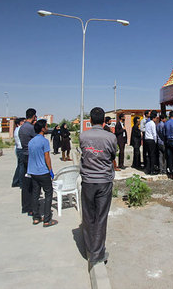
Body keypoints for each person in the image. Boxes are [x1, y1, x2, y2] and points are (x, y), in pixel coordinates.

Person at [79, 107, 116, 267]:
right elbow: (113, 155)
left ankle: (90, 248)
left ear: (90, 120)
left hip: (88, 181)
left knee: (88, 215)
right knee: (101, 217)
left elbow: (84, 154)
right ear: (103, 120)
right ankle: (97, 253)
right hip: (104, 181)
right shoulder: (111, 137)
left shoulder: (83, 136)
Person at [27, 119, 57, 227]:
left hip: (33, 172)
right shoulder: (44, 141)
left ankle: (36, 217)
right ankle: (47, 219)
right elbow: (47, 157)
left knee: (35, 193)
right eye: (46, 126)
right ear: (42, 128)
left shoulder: (31, 141)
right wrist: (50, 170)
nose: (47, 128)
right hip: (43, 171)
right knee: (48, 193)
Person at [19, 108, 37, 215]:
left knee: (26, 183)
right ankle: (32, 207)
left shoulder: (22, 128)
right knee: (33, 184)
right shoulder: (31, 128)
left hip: (24, 155)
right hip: (31, 157)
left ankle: (25, 206)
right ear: (34, 116)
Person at [11, 118, 25, 187]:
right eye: (23, 121)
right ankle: (22, 183)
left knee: (19, 166)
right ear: (19, 123)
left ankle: (15, 181)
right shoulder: (20, 129)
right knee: (22, 167)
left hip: (18, 149)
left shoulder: (16, 129)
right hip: (21, 149)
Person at [144, 110, 158, 175]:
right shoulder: (152, 124)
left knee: (148, 155)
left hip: (146, 140)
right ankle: (152, 170)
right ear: (154, 118)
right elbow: (154, 134)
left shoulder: (147, 123)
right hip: (151, 140)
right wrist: (155, 141)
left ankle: (148, 169)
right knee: (152, 156)